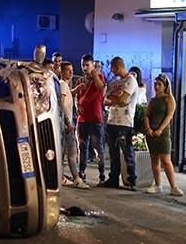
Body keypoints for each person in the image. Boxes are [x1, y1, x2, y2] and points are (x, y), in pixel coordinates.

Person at [101, 56, 138, 190]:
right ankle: (113, 179)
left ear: (118, 67)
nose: (111, 70)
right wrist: (115, 99)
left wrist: (114, 99)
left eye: (112, 67)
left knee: (127, 152)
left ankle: (131, 180)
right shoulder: (115, 82)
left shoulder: (131, 81)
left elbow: (123, 100)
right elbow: (105, 99)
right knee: (113, 153)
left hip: (125, 122)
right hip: (112, 120)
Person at [143, 74, 183, 196]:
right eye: (155, 84)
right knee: (154, 159)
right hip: (151, 132)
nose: (156, 86)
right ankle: (157, 185)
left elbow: (169, 116)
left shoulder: (169, 99)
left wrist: (160, 129)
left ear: (165, 86)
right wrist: (148, 128)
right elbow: (147, 115)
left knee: (165, 159)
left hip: (163, 132)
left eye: (159, 84)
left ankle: (173, 186)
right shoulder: (152, 100)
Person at [75, 54, 106, 184]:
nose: (85, 68)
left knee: (98, 148)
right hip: (82, 120)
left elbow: (101, 88)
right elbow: (77, 97)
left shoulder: (98, 77)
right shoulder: (80, 81)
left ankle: (102, 175)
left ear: (93, 65)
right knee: (83, 147)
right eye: (83, 65)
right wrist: (77, 106)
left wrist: (94, 76)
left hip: (95, 119)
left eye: (87, 65)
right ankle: (81, 172)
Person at [58, 61, 89, 189]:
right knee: (72, 153)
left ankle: (62, 177)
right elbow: (63, 104)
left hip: (64, 124)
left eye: (71, 70)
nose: (71, 73)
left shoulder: (62, 85)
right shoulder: (63, 84)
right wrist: (68, 122)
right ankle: (76, 178)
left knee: (63, 152)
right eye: (67, 70)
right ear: (61, 71)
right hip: (67, 125)